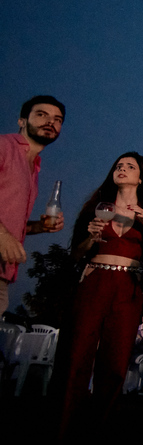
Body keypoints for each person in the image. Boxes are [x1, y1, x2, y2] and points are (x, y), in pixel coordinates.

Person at [59, 152, 143, 443]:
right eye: (118, 166)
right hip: (95, 279)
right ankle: (65, 429)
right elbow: (76, 253)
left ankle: (97, 431)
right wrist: (90, 237)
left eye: (129, 167)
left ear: (140, 176)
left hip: (127, 285)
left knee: (116, 360)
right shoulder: (97, 208)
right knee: (78, 354)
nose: (122, 170)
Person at [0, 96, 66, 314]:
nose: (50, 122)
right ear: (21, 121)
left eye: (57, 119)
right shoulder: (4, 147)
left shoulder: (34, 167)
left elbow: (10, 223)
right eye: (41, 114)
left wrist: (38, 227)